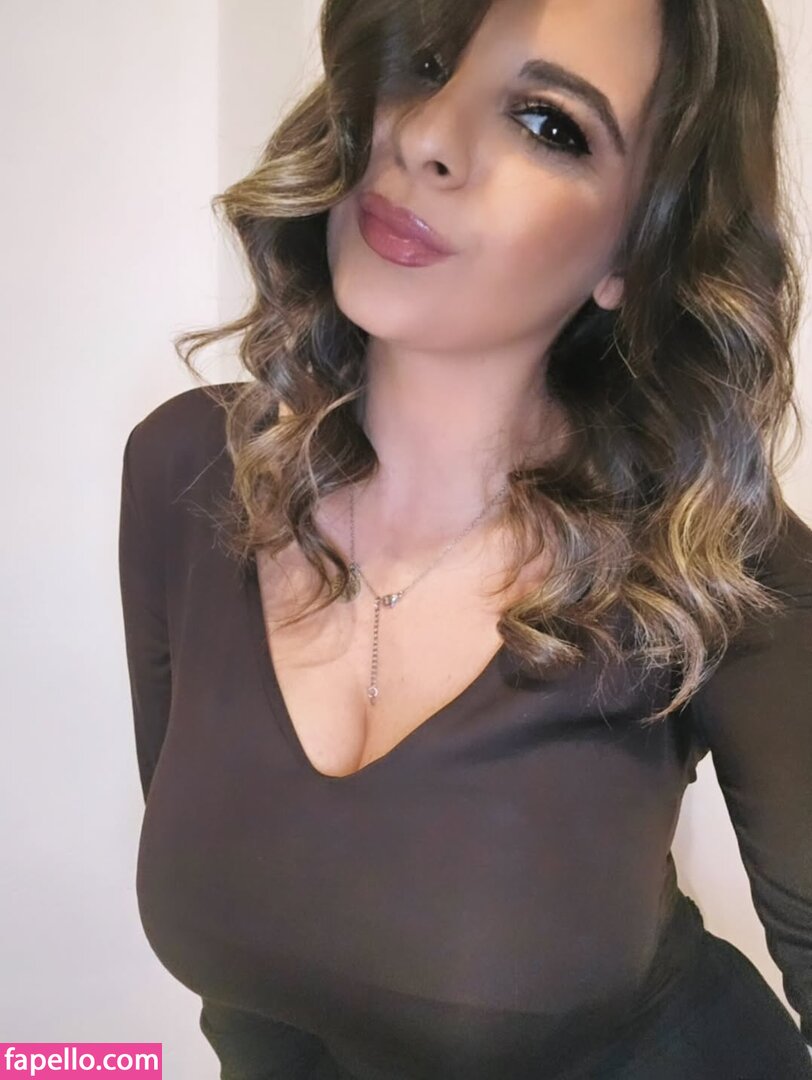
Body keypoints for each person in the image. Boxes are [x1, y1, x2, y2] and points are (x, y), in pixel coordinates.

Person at [118, 0, 812, 1076]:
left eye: (548, 124)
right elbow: (251, 968)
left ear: (634, 250)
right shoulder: (187, 473)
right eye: (428, 63)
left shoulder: (718, 556)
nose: (427, 137)